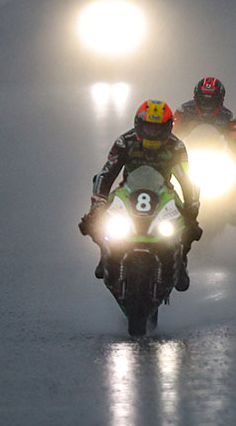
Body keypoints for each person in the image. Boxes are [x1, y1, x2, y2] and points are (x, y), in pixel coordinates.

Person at [79, 100, 201, 291]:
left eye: (158, 128)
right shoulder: (124, 142)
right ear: (138, 125)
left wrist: (191, 208)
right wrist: (98, 204)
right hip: (128, 190)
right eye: (148, 127)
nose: (152, 133)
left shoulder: (176, 147)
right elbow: (106, 173)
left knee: (190, 227)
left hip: (164, 193)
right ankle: (105, 254)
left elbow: (187, 179)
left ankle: (181, 259)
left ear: (168, 127)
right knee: (94, 219)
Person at [174, 77, 236, 225]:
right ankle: (171, 203)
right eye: (204, 100)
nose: (207, 105)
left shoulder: (228, 116)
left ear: (220, 100)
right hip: (188, 153)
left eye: (211, 101)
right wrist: (170, 149)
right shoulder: (184, 110)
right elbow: (171, 131)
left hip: (217, 155)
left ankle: (230, 203)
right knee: (166, 168)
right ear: (196, 98)